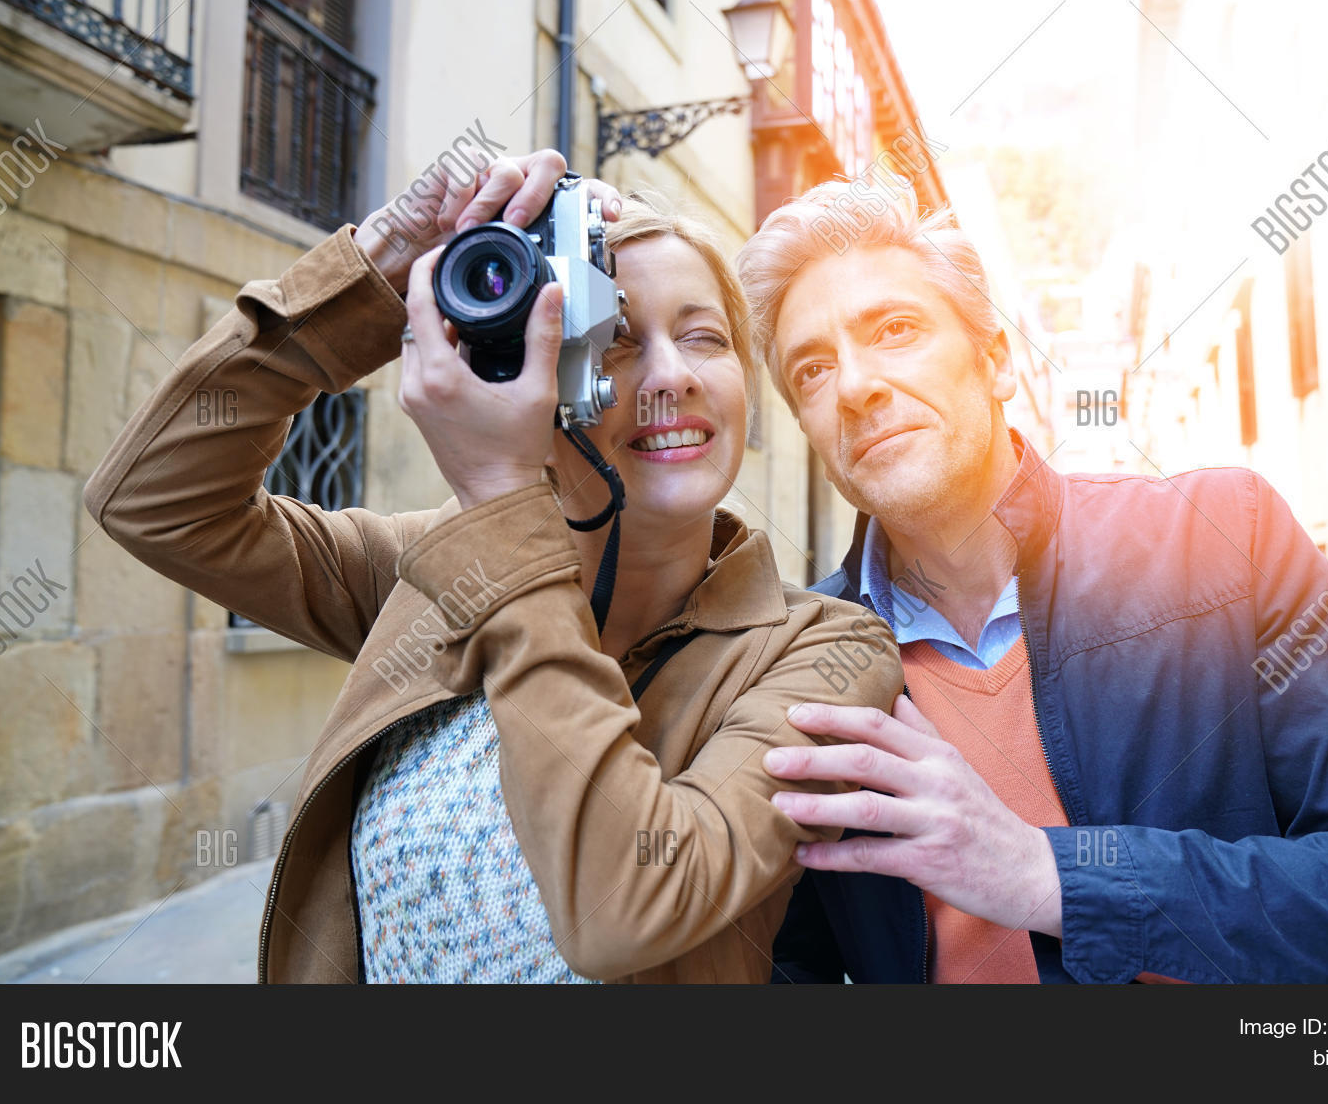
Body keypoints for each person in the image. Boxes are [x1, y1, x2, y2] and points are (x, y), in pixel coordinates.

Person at [82, 148, 902, 983]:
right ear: (535, 370)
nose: (672, 374)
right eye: (616, 339)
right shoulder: (435, 573)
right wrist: (380, 266)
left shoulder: (824, 651)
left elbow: (623, 908)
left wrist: (503, 494)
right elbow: (154, 498)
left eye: (704, 337)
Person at [734, 177, 1328, 983]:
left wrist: (1056, 876)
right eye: (813, 370)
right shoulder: (796, 660)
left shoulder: (1227, 539)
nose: (854, 386)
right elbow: (784, 968)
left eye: (896, 328)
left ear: (996, 361)